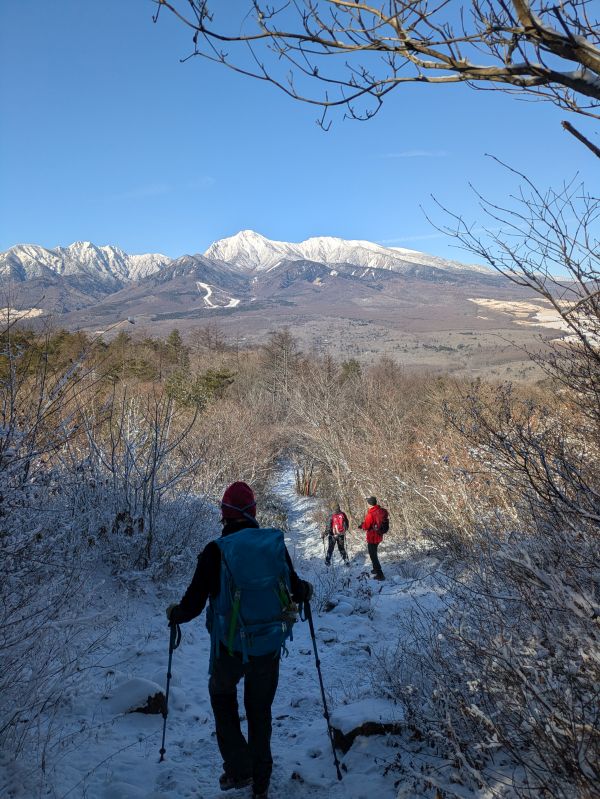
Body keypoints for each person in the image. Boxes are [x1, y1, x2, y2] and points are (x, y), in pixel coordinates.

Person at [165, 481, 312, 799]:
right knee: (259, 712)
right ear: (254, 512)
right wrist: (306, 591)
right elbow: (295, 588)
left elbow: (193, 604)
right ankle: (261, 783)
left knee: (222, 697)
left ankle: (238, 767)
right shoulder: (273, 545)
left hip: (229, 648)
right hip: (269, 646)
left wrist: (175, 614)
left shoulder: (215, 551)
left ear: (224, 514)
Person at [359, 495, 389, 581]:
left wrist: (362, 526)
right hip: (379, 535)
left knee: (373, 555)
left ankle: (380, 574)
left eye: (367, 503)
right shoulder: (381, 511)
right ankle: (376, 569)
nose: (367, 504)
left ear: (370, 504)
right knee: (374, 553)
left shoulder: (371, 513)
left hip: (372, 537)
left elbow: (366, 526)